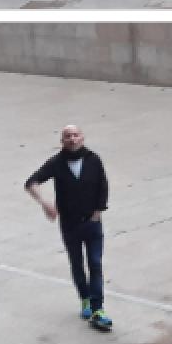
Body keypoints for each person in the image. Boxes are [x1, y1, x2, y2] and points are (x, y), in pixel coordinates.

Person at [24, 125, 112, 331]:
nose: (72, 139)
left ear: (82, 138)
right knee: (77, 263)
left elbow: (103, 185)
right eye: (67, 136)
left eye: (76, 135)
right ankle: (85, 299)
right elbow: (31, 182)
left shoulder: (93, 159)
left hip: (92, 222)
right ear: (62, 141)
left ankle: (98, 308)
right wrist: (44, 203)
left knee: (96, 263)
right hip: (70, 224)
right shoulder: (56, 163)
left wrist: (99, 210)